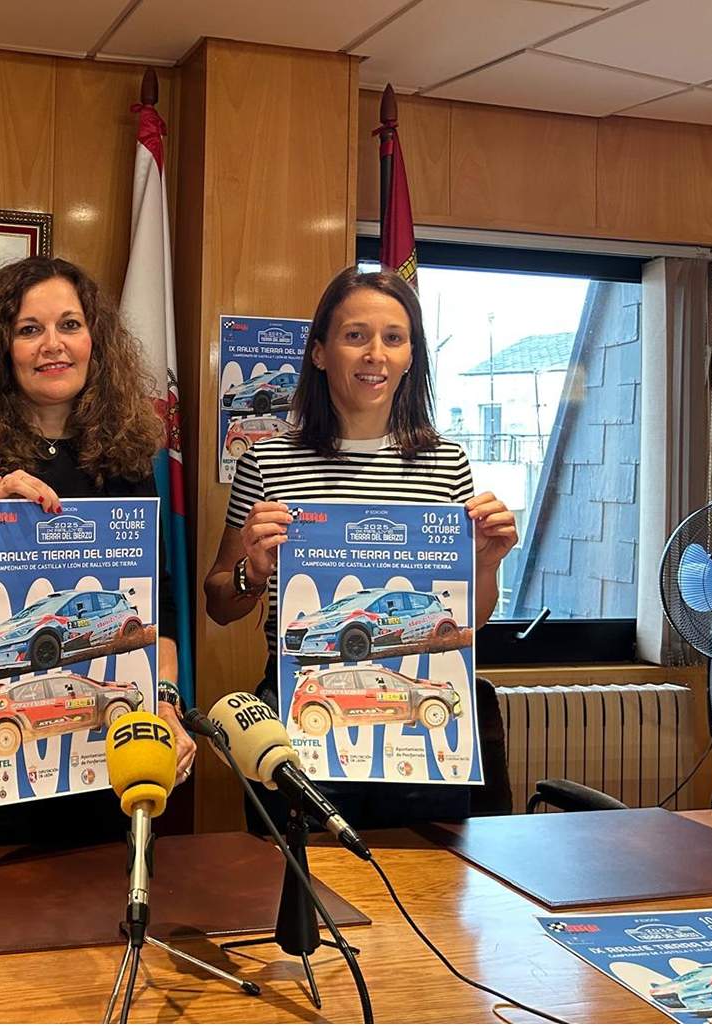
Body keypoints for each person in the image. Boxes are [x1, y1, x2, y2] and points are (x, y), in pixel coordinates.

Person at [0, 255, 195, 849]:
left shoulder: (127, 458)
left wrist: (166, 703)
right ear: (0, 347)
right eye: (30, 329)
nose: (52, 345)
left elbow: (153, 617)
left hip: (101, 751)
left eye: (69, 325)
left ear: (94, 341)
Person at [204, 266, 518, 829]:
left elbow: (467, 618)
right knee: (300, 896)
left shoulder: (448, 464)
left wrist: (487, 565)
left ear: (410, 357)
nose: (375, 353)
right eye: (356, 336)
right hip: (302, 709)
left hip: (419, 714)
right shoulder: (267, 460)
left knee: (427, 892)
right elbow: (220, 602)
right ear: (321, 352)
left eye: (393, 339)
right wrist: (252, 571)